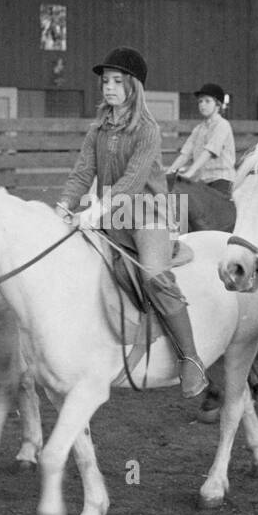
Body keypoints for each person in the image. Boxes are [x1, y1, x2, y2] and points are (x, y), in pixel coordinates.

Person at [55, 47, 208, 398]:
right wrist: (64, 205)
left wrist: (96, 210)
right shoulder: (98, 130)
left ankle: (192, 359)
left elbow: (132, 182)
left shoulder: (148, 131)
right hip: (110, 216)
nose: (108, 87)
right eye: (105, 81)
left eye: (116, 81)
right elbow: (82, 173)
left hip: (147, 216)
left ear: (132, 87)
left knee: (153, 276)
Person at [167, 82, 236, 195]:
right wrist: (169, 173)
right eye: (200, 101)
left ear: (218, 105)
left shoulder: (222, 125)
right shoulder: (198, 129)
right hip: (203, 180)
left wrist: (190, 173)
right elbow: (185, 154)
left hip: (222, 179)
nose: (202, 105)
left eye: (207, 101)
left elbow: (209, 151)